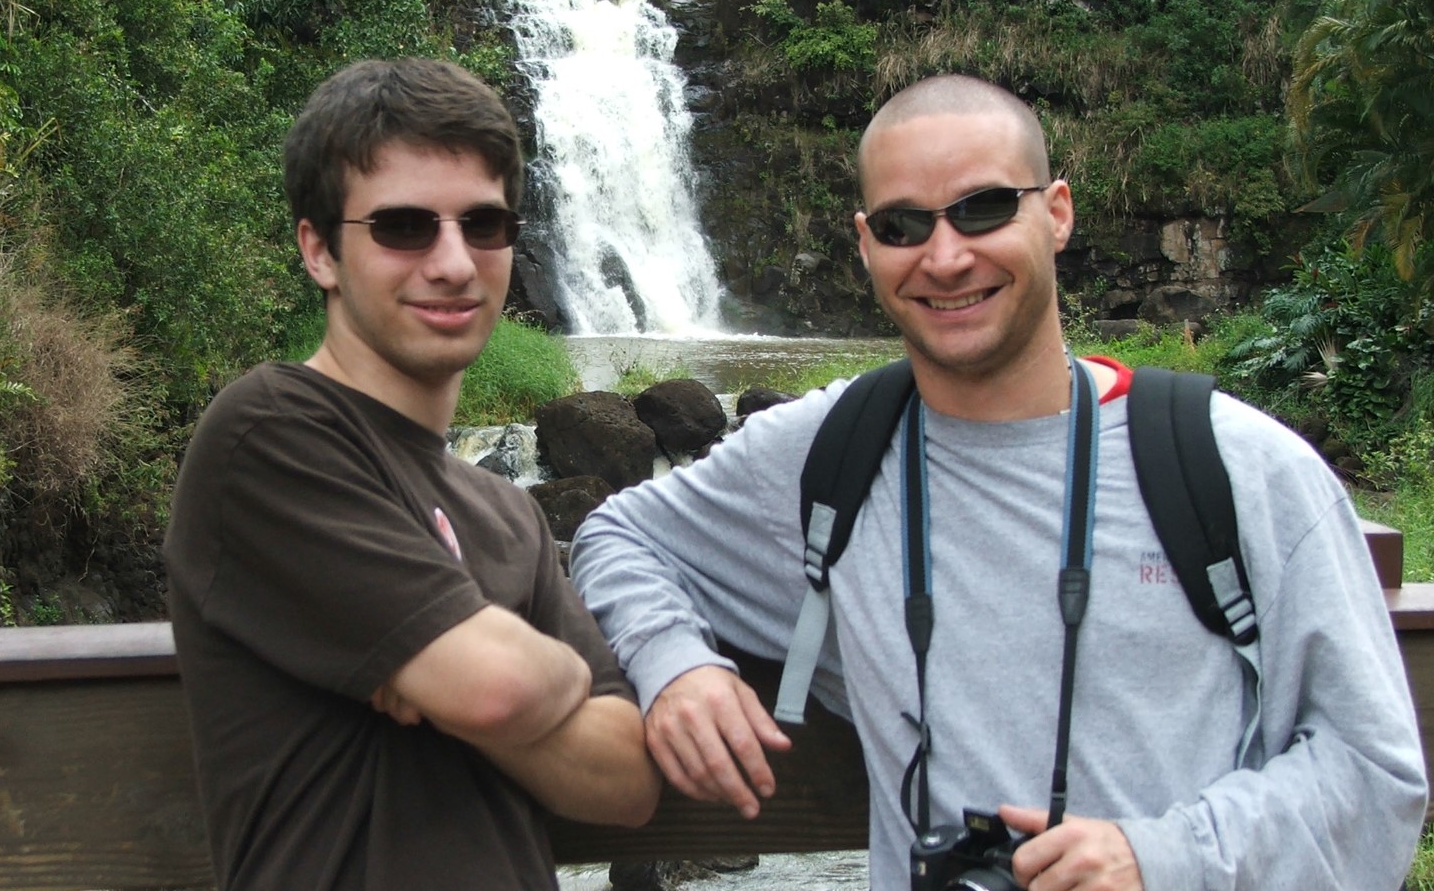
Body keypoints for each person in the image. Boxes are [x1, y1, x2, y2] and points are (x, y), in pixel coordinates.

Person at [571, 73, 1427, 890]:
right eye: (905, 225)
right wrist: (675, 662)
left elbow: (1374, 771)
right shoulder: (829, 453)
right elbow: (620, 535)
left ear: (1056, 212)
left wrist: (1166, 860)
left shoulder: (1241, 471)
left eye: (983, 209)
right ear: (866, 243)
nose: (945, 257)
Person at [166, 58, 660, 891]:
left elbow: (628, 780)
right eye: (403, 228)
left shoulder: (507, 512)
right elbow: (499, 687)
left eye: (484, 225)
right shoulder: (269, 433)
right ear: (319, 249)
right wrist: (534, 676)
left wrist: (456, 688)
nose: (455, 263)